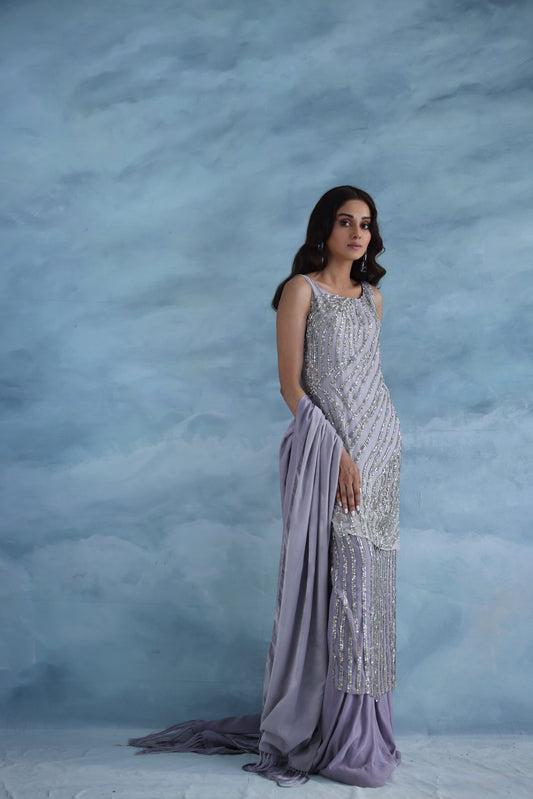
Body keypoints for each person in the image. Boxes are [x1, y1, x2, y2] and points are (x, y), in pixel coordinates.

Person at [128, 185, 402, 788]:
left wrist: (375, 450)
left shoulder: (373, 299)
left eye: (366, 224)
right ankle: (332, 732)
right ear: (324, 229)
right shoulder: (300, 291)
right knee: (341, 590)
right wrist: (338, 454)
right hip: (331, 458)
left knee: (372, 594)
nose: (358, 233)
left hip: (383, 456)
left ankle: (365, 732)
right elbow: (291, 386)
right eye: (345, 222)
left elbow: (371, 383)